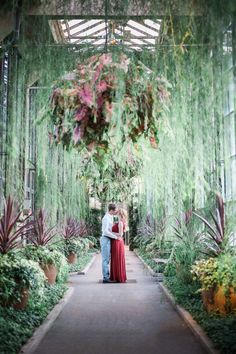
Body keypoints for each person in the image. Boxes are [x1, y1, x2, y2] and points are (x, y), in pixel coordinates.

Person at [101, 203, 122, 283]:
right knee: (105, 259)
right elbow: (105, 231)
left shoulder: (112, 217)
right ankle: (105, 278)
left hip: (110, 239)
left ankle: (110, 276)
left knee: (109, 259)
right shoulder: (106, 218)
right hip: (106, 239)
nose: (116, 211)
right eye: (115, 210)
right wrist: (116, 237)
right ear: (111, 210)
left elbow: (113, 229)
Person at [110, 208, 127, 283]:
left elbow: (120, 234)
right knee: (116, 258)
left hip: (117, 242)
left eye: (117, 212)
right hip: (117, 242)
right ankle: (117, 276)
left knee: (117, 258)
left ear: (119, 213)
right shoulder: (120, 221)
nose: (116, 213)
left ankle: (118, 276)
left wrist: (110, 232)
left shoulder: (120, 222)